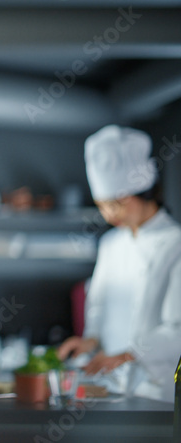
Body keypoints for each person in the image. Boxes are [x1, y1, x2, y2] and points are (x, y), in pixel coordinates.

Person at [57, 125, 181, 402]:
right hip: (110, 386)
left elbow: (178, 328)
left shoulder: (175, 244)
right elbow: (99, 306)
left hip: (158, 389)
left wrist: (127, 354)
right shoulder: (111, 244)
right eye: (103, 206)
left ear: (144, 191)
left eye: (117, 204)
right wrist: (90, 340)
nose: (110, 215)